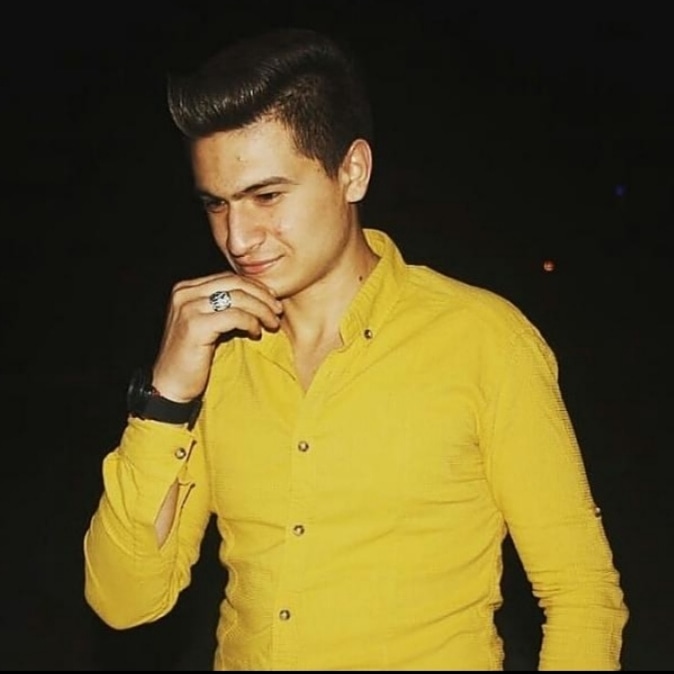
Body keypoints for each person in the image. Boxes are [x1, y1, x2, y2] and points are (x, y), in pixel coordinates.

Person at [83, 27, 629, 671]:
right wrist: (167, 397)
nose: (238, 236)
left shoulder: (483, 341)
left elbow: (581, 594)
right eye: (217, 205)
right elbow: (124, 601)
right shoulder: (218, 355)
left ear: (352, 172)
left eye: (267, 196)